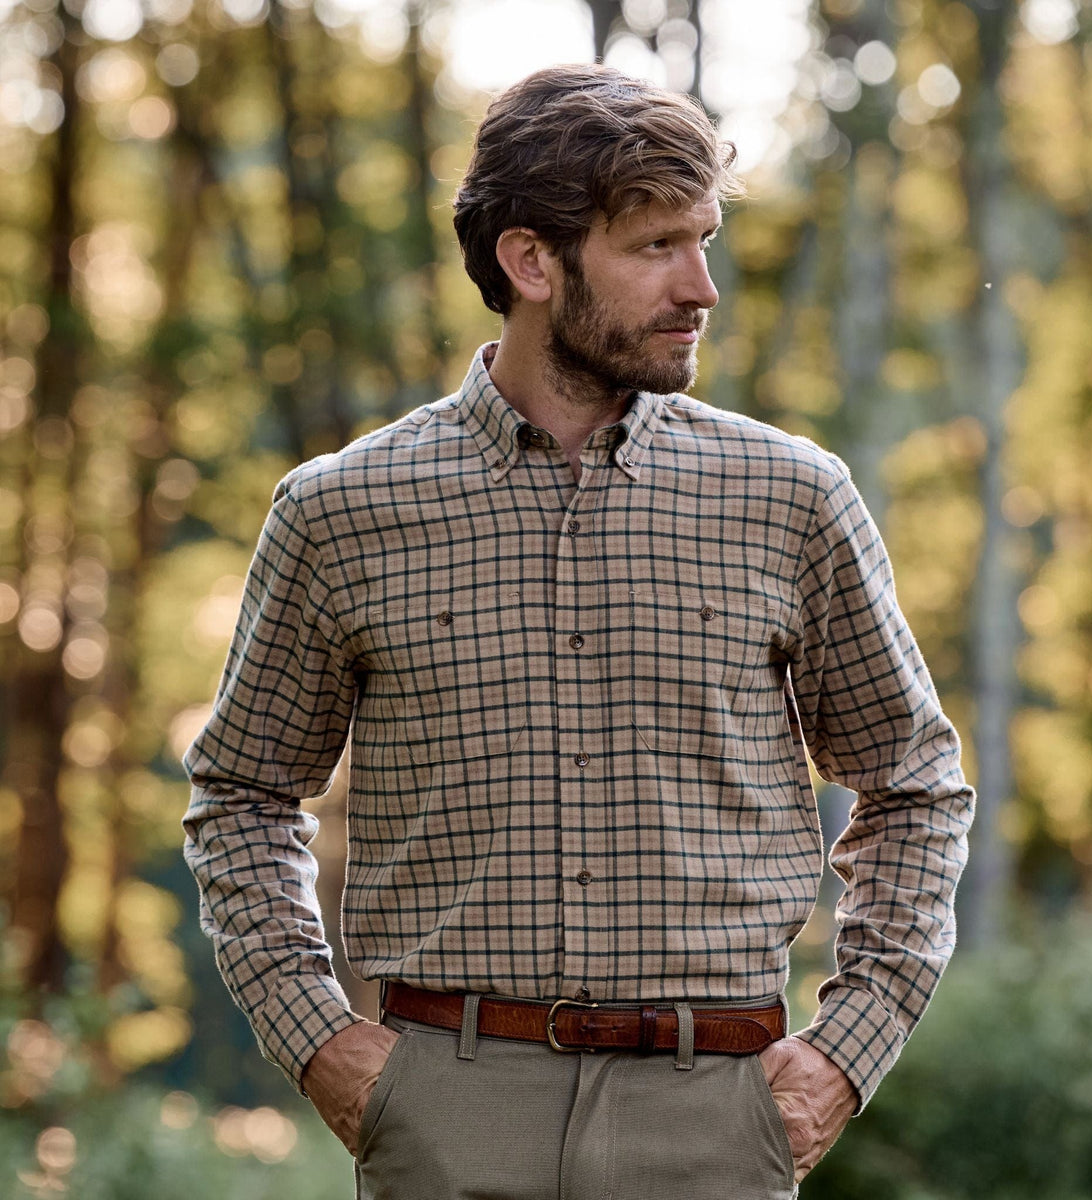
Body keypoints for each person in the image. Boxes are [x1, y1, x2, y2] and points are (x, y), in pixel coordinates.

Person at [183, 63, 974, 1200]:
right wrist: (322, 1043)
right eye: (657, 247)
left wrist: (843, 1058)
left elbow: (915, 786)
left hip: (715, 1116)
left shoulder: (792, 498)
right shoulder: (339, 511)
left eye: (705, 242)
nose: (702, 287)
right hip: (447, 1111)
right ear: (531, 262)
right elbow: (243, 795)